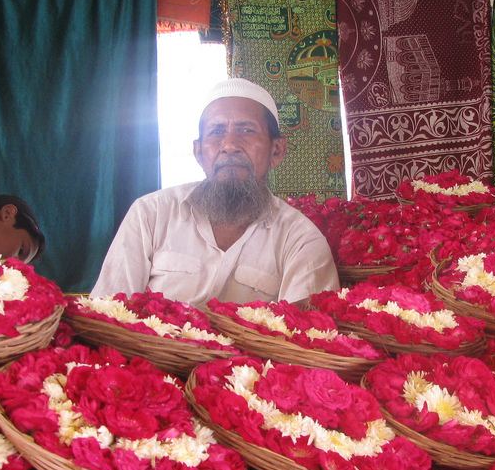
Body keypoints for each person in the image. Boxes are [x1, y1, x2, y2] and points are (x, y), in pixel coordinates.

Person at [91, 79, 339, 305]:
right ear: (199, 152)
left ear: (277, 151)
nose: (230, 145)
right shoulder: (151, 214)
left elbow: (305, 338)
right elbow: (108, 311)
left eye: (247, 130)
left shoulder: (301, 240)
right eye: (217, 131)